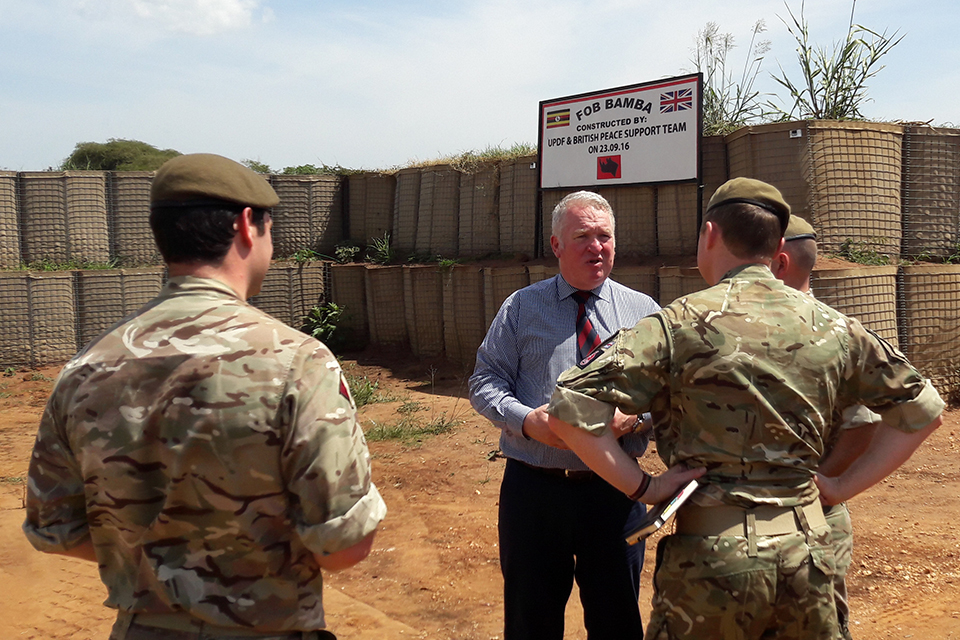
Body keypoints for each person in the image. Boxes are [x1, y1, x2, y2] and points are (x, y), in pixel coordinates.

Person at [545, 177, 944, 640]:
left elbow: (569, 408)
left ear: (710, 234)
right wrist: (839, 485)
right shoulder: (834, 325)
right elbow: (924, 412)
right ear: (776, 247)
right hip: (810, 554)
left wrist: (644, 488)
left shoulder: (677, 323)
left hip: (713, 561)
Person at [22, 153, 387, 640]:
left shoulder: (84, 368)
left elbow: (56, 529)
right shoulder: (296, 362)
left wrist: (157, 557)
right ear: (246, 227)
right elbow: (342, 546)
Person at [469, 190, 661, 639]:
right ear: (556, 245)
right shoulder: (520, 308)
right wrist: (525, 421)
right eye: (582, 237)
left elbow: (668, 395)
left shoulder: (645, 313)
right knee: (530, 620)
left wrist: (631, 420)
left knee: (617, 620)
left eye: (604, 236)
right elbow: (485, 382)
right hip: (536, 492)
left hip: (614, 491)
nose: (596, 247)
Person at [773, 214, 881, 640]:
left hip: (812, 519)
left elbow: (862, 426)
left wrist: (825, 484)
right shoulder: (838, 330)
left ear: (779, 263)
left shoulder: (829, 330)